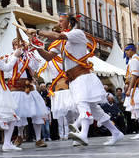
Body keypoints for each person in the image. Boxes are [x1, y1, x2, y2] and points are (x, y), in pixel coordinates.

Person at [27, 14, 125, 147]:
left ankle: (83, 135)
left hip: (83, 77)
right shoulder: (62, 42)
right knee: (94, 109)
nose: (59, 23)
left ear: (70, 22)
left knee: (82, 103)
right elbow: (49, 57)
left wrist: (37, 31)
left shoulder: (77, 33)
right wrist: (36, 44)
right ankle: (116, 133)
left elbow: (57, 35)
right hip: (74, 79)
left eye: (61, 21)